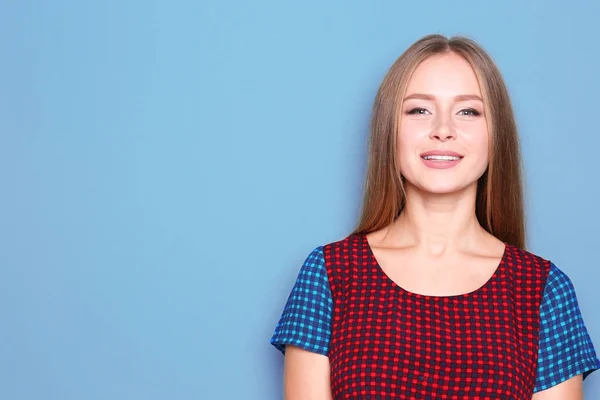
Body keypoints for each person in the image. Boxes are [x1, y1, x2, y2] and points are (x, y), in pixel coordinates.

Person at [269, 34, 600, 399]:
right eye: (419, 110)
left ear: (496, 134)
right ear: (389, 131)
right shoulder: (330, 274)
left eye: (468, 111)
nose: (443, 129)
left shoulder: (543, 289)